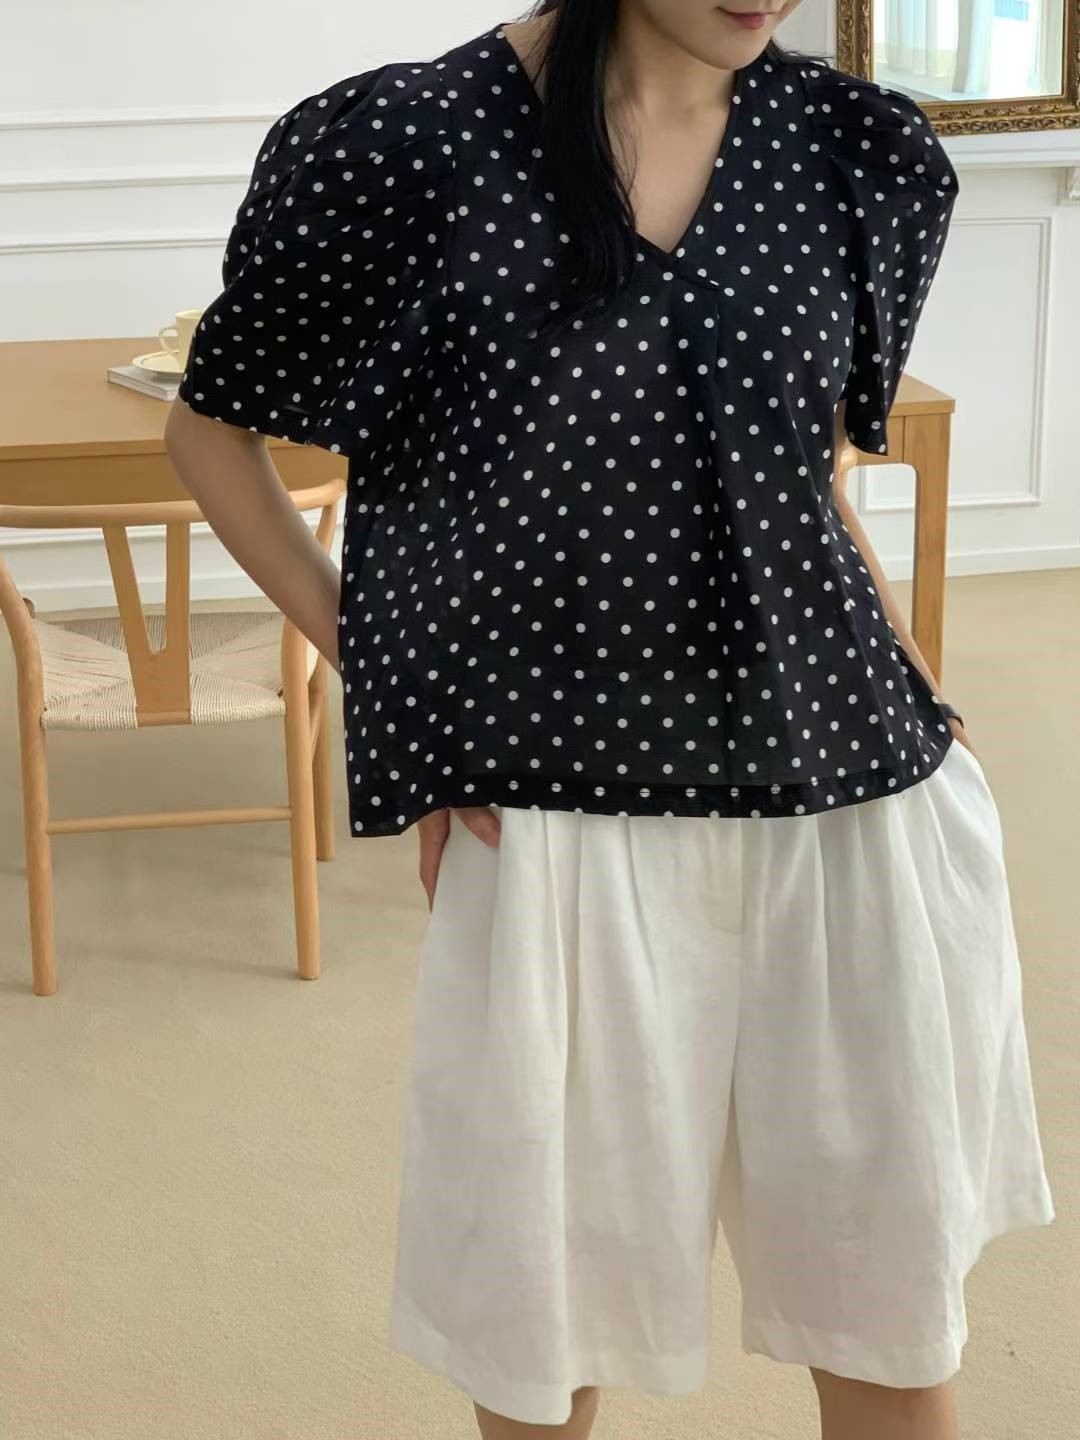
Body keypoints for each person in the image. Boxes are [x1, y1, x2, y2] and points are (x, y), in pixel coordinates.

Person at [164, 3, 1056, 1437]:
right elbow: (212, 432)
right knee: (542, 1328)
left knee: (890, 1315)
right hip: (558, 810)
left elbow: (797, 470)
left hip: (848, 798)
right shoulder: (406, 144)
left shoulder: (858, 150)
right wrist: (404, 691)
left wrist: (912, 684)